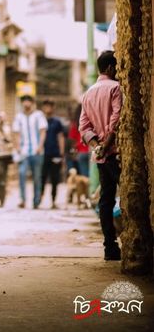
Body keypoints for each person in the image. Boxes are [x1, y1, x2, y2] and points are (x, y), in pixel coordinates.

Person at [79, 50, 122, 261]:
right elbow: (117, 119)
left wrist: (97, 146)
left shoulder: (88, 93)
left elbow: (84, 126)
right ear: (111, 68)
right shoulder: (115, 88)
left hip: (101, 156)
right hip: (115, 154)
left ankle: (110, 248)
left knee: (106, 200)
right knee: (131, 197)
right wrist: (107, 144)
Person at [12, 95, 48, 209]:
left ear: (32, 103)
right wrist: (17, 147)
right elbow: (16, 133)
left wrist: (40, 146)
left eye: (28, 101)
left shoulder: (39, 115)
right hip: (24, 151)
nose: (26, 104)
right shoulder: (18, 117)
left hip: (37, 151)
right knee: (22, 174)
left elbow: (43, 132)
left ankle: (36, 201)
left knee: (37, 177)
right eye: (24, 101)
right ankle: (22, 200)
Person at [40, 98, 65, 209]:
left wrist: (61, 152)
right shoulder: (40, 120)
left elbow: (60, 137)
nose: (48, 108)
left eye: (50, 106)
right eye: (46, 106)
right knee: (42, 177)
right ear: (43, 108)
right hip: (42, 153)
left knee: (55, 178)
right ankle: (39, 199)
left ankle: (53, 200)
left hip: (55, 153)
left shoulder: (57, 122)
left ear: (53, 108)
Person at [67, 104, 90, 177]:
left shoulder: (75, 124)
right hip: (92, 151)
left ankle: (86, 188)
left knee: (84, 177)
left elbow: (72, 140)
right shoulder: (90, 121)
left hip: (81, 152)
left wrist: (74, 152)